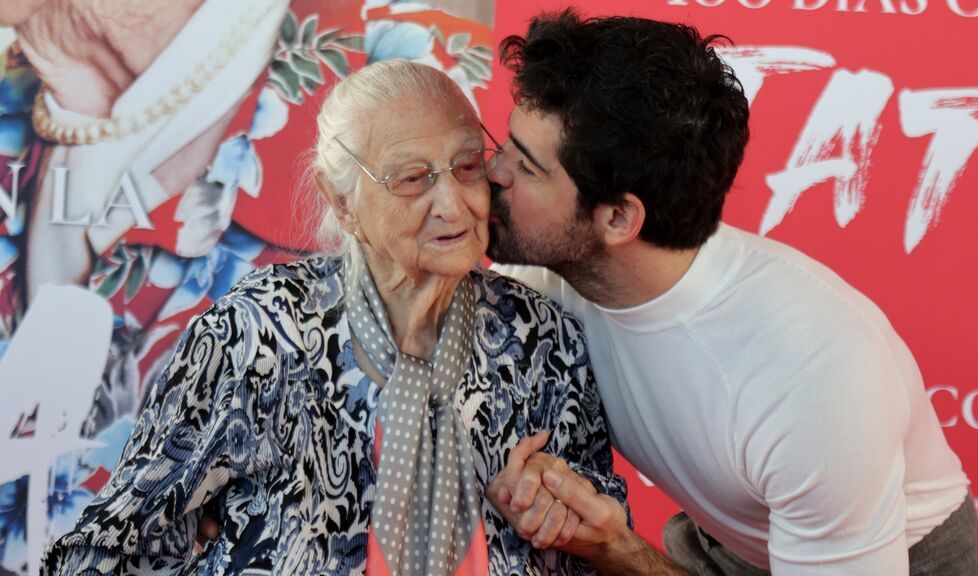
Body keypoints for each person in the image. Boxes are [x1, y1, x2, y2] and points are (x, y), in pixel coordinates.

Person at [41, 59, 627, 575]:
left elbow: (599, 529)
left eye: (468, 165)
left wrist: (557, 503)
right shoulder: (257, 334)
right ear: (343, 201)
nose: (454, 204)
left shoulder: (543, 340)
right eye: (412, 178)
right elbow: (103, 550)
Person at [484, 9, 978, 576]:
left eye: (525, 167)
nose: (489, 173)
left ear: (619, 218)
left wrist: (617, 549)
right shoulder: (550, 280)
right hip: (729, 541)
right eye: (503, 143)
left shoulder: (810, 377)